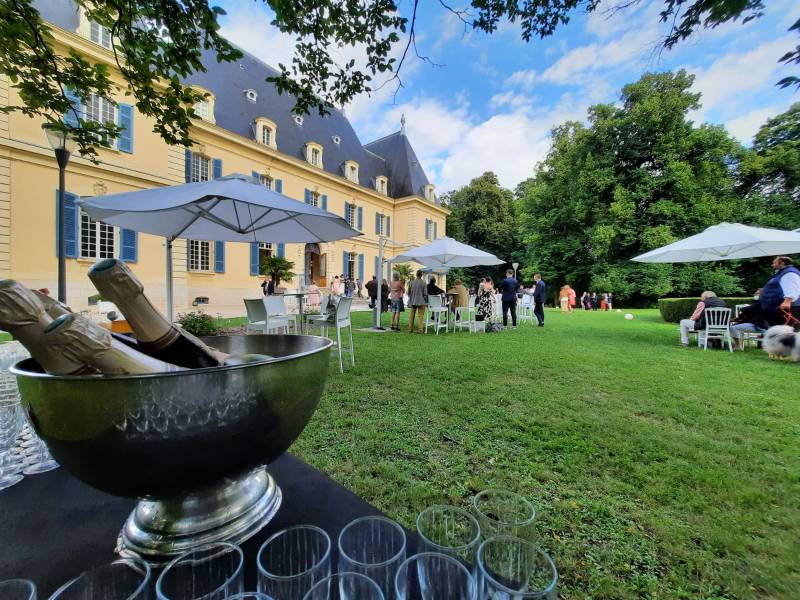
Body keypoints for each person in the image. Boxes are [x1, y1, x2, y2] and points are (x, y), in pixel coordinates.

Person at [759, 256, 800, 325]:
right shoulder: (782, 272)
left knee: (784, 332)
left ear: (782, 263)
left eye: (774, 263)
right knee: (779, 331)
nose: (772, 265)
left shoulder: (789, 273)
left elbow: (792, 287)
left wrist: (787, 301)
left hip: (786, 307)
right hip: (779, 307)